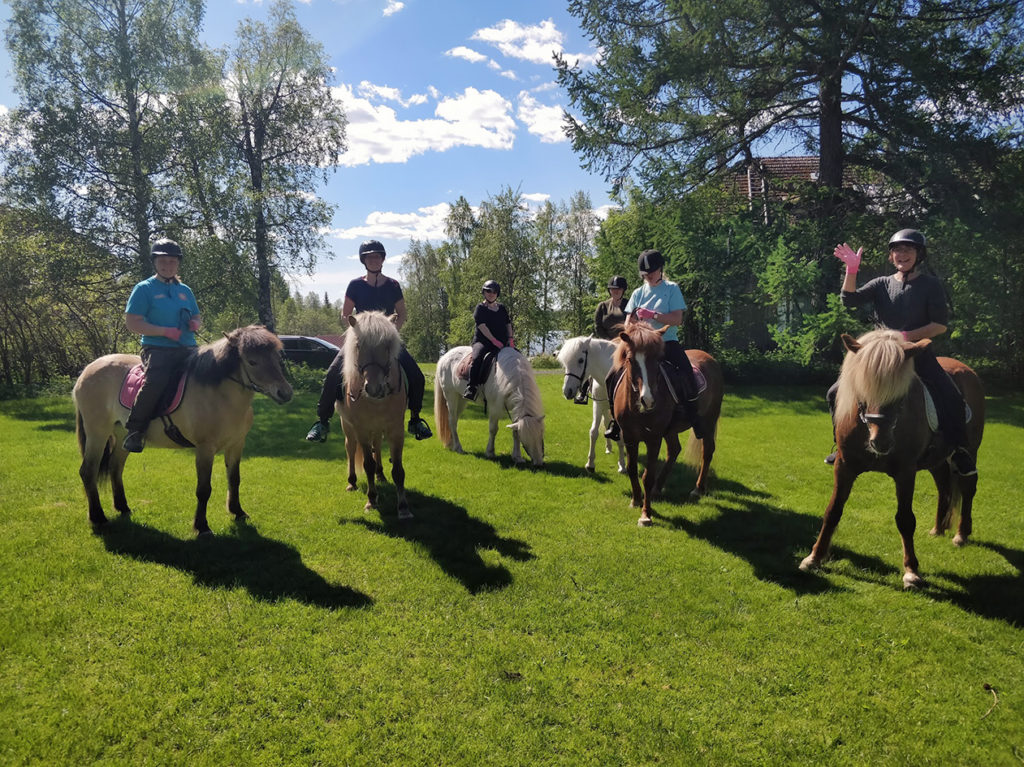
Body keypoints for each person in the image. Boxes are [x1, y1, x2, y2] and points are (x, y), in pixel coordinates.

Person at [826, 228, 976, 475]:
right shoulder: (881, 284)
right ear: (891, 256)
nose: (902, 254)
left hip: (916, 355)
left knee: (951, 396)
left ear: (919, 255)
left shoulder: (931, 285)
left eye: (908, 250)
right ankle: (841, 445)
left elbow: (939, 326)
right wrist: (851, 270)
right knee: (834, 392)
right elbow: (849, 300)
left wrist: (903, 338)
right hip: (882, 362)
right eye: (897, 250)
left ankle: (959, 450)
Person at [304, 240, 433, 442]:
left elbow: (402, 313)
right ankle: (322, 421)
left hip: (386, 342)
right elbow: (345, 314)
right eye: (370, 257)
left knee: (416, 375)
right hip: (361, 342)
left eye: (377, 257)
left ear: (382, 259)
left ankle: (415, 419)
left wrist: (391, 335)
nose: (374, 260)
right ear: (364, 261)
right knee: (332, 374)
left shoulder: (393, 285)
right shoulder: (355, 285)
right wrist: (358, 332)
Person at [603, 249, 704, 441]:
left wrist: (654, 315)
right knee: (611, 376)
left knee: (685, 370)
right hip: (640, 345)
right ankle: (616, 421)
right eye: (645, 273)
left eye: (652, 272)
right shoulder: (637, 293)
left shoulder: (671, 289)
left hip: (666, 342)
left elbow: (677, 319)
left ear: (660, 269)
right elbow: (627, 322)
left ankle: (693, 415)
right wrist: (632, 323)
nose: (648, 276)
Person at [122, 238, 201, 453]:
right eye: (163, 261)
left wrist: (195, 324)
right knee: (156, 381)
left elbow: (197, 315)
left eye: (172, 262)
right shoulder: (144, 289)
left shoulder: (185, 290)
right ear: (155, 263)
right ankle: (135, 431)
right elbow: (132, 322)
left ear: (178, 264)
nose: (168, 266)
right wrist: (164, 332)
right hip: (157, 349)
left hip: (188, 348)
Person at [464, 280, 514, 400]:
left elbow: (508, 324)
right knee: (477, 358)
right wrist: (493, 340)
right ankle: (472, 387)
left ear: (498, 294)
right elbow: (482, 326)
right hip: (483, 342)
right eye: (488, 291)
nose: (491, 294)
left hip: (502, 343)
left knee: (517, 358)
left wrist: (510, 339)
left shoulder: (501, 308)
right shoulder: (480, 308)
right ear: (484, 293)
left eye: (494, 292)